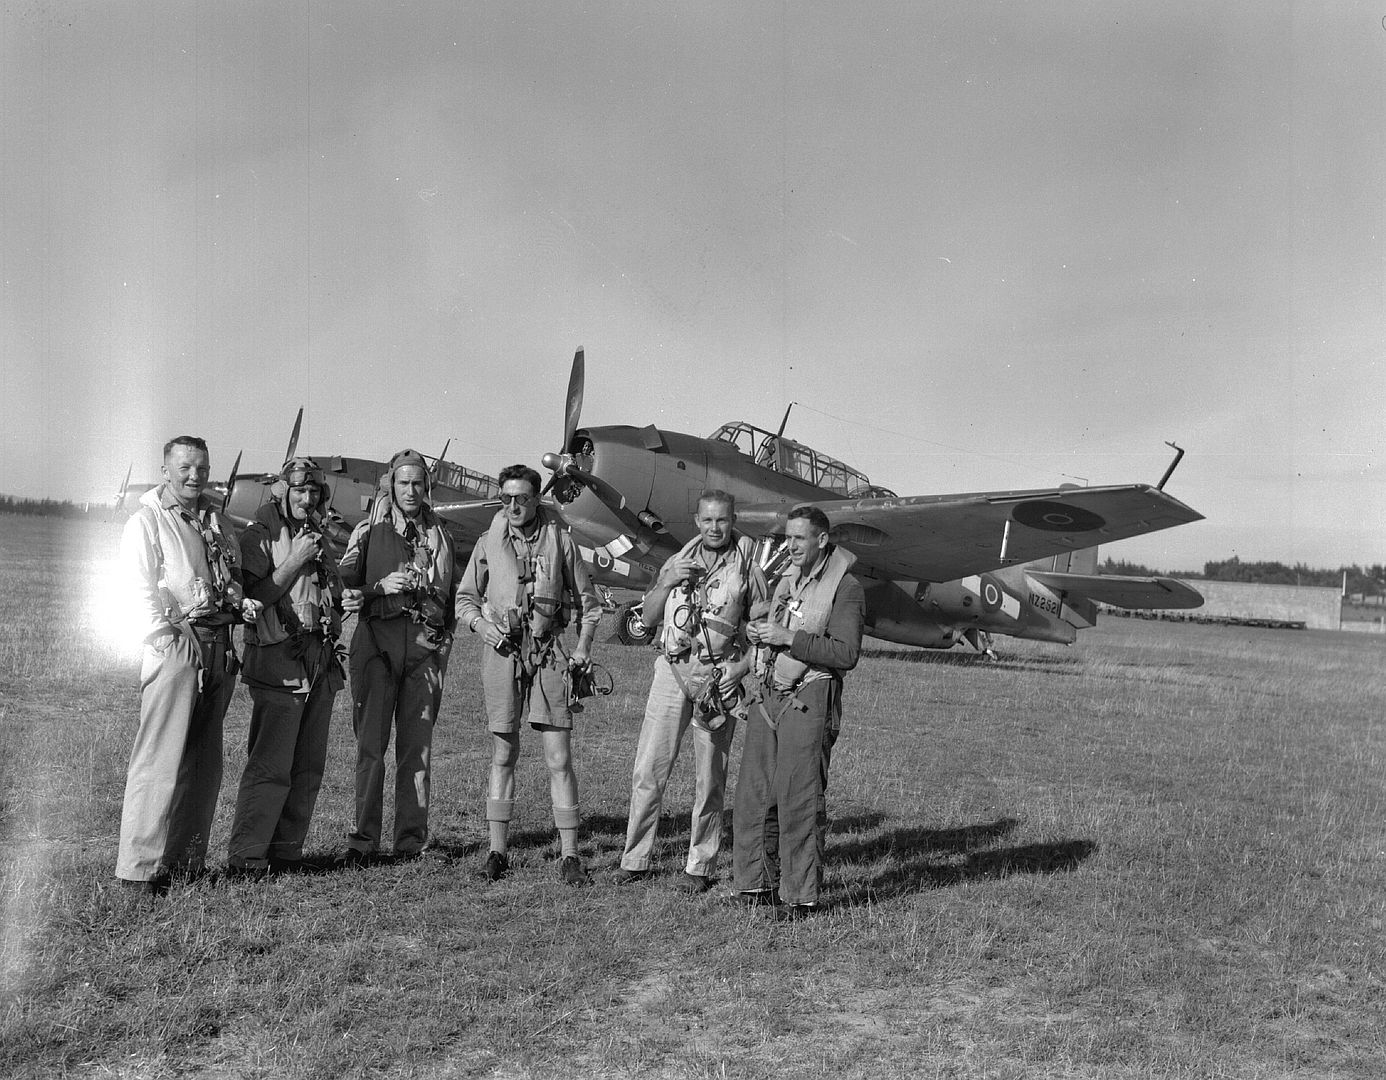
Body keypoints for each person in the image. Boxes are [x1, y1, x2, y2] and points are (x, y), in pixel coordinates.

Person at [116, 435, 259, 894]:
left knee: (204, 763)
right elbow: (135, 587)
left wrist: (239, 599)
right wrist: (164, 639)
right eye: (184, 468)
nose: (194, 476)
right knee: (159, 759)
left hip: (220, 643)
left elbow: (231, 573)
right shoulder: (147, 521)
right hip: (178, 643)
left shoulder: (216, 521)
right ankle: (139, 871)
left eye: (202, 468)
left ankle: (184, 863)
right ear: (165, 471)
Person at [613, 490, 766, 893]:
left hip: (717, 679)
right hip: (671, 672)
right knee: (649, 768)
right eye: (707, 520)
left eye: (723, 521)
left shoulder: (748, 565)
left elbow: (765, 630)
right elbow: (646, 618)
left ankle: (700, 866)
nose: (715, 528)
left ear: (733, 521)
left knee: (710, 778)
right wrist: (666, 581)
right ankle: (635, 859)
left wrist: (741, 667)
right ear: (696, 521)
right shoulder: (678, 560)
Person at [456, 464, 601, 885]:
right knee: (503, 754)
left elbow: (589, 605)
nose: (514, 505)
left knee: (559, 758)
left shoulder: (560, 541)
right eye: (506, 499)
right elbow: (466, 599)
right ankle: (496, 852)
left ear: (537, 498)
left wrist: (581, 648)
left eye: (522, 498)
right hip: (501, 656)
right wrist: (485, 628)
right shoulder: (488, 543)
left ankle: (570, 856)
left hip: (550, 656)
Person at [733, 505, 865, 919]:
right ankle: (756, 884)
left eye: (799, 538)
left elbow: (845, 653)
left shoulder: (847, 588)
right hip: (767, 694)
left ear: (822, 540)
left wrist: (789, 637)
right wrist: (758, 634)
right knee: (755, 794)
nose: (789, 546)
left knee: (798, 797)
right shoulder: (787, 580)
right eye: (787, 537)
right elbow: (776, 627)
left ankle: (800, 896)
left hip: (809, 696)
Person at [226, 457, 344, 877]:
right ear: (282, 492)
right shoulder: (261, 535)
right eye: (299, 491)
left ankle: (287, 853)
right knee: (271, 766)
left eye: (314, 491)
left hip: (319, 665)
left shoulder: (317, 535)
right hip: (279, 665)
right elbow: (253, 595)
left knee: (309, 767)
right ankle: (247, 856)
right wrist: (294, 559)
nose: (307, 498)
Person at [337, 449, 456, 864]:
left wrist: (441, 647)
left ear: (427, 488)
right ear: (391, 484)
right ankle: (362, 841)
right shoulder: (368, 531)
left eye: (418, 483)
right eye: (403, 483)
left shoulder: (441, 534)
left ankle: (411, 842)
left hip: (423, 654)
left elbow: (453, 598)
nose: (411, 491)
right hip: (377, 645)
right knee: (371, 748)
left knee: (417, 751)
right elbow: (342, 587)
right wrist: (378, 588)